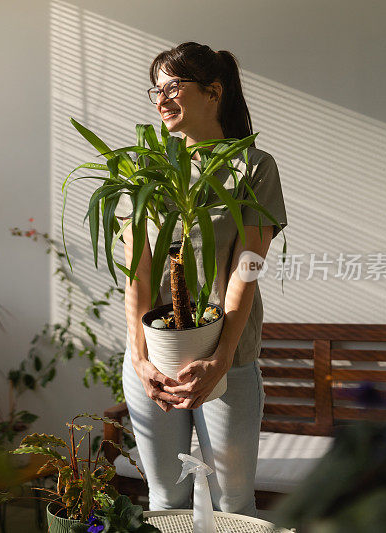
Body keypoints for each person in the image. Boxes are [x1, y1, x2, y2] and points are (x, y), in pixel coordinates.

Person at [117, 42, 288, 517]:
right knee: (165, 501)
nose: (160, 100)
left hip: (227, 363)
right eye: (156, 89)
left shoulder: (253, 167)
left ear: (213, 92)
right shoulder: (148, 170)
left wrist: (222, 356)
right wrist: (139, 357)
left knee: (233, 504)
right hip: (153, 360)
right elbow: (139, 268)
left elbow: (247, 267)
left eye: (173, 87)